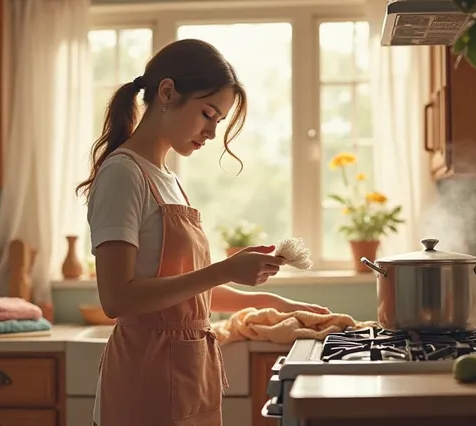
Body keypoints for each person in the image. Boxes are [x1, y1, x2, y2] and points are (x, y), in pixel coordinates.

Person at [77, 38, 330, 426]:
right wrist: (226, 269)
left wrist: (282, 305)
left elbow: (189, 290)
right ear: (167, 92)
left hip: (187, 374)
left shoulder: (170, 180)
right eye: (208, 113)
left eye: (218, 120)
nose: (212, 132)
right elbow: (117, 298)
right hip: (145, 380)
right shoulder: (123, 174)